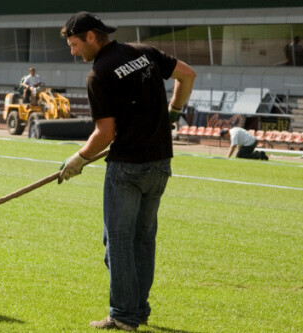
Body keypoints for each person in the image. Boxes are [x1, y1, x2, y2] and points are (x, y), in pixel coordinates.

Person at [56, 11, 197, 331]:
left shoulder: (99, 74)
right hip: (160, 163)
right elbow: (188, 75)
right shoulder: (144, 52)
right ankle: (138, 310)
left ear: (92, 37)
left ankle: (122, 315)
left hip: (127, 169)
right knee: (143, 241)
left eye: (74, 44)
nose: (73, 51)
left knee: (118, 244)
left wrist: (78, 159)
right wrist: (174, 112)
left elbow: (105, 133)